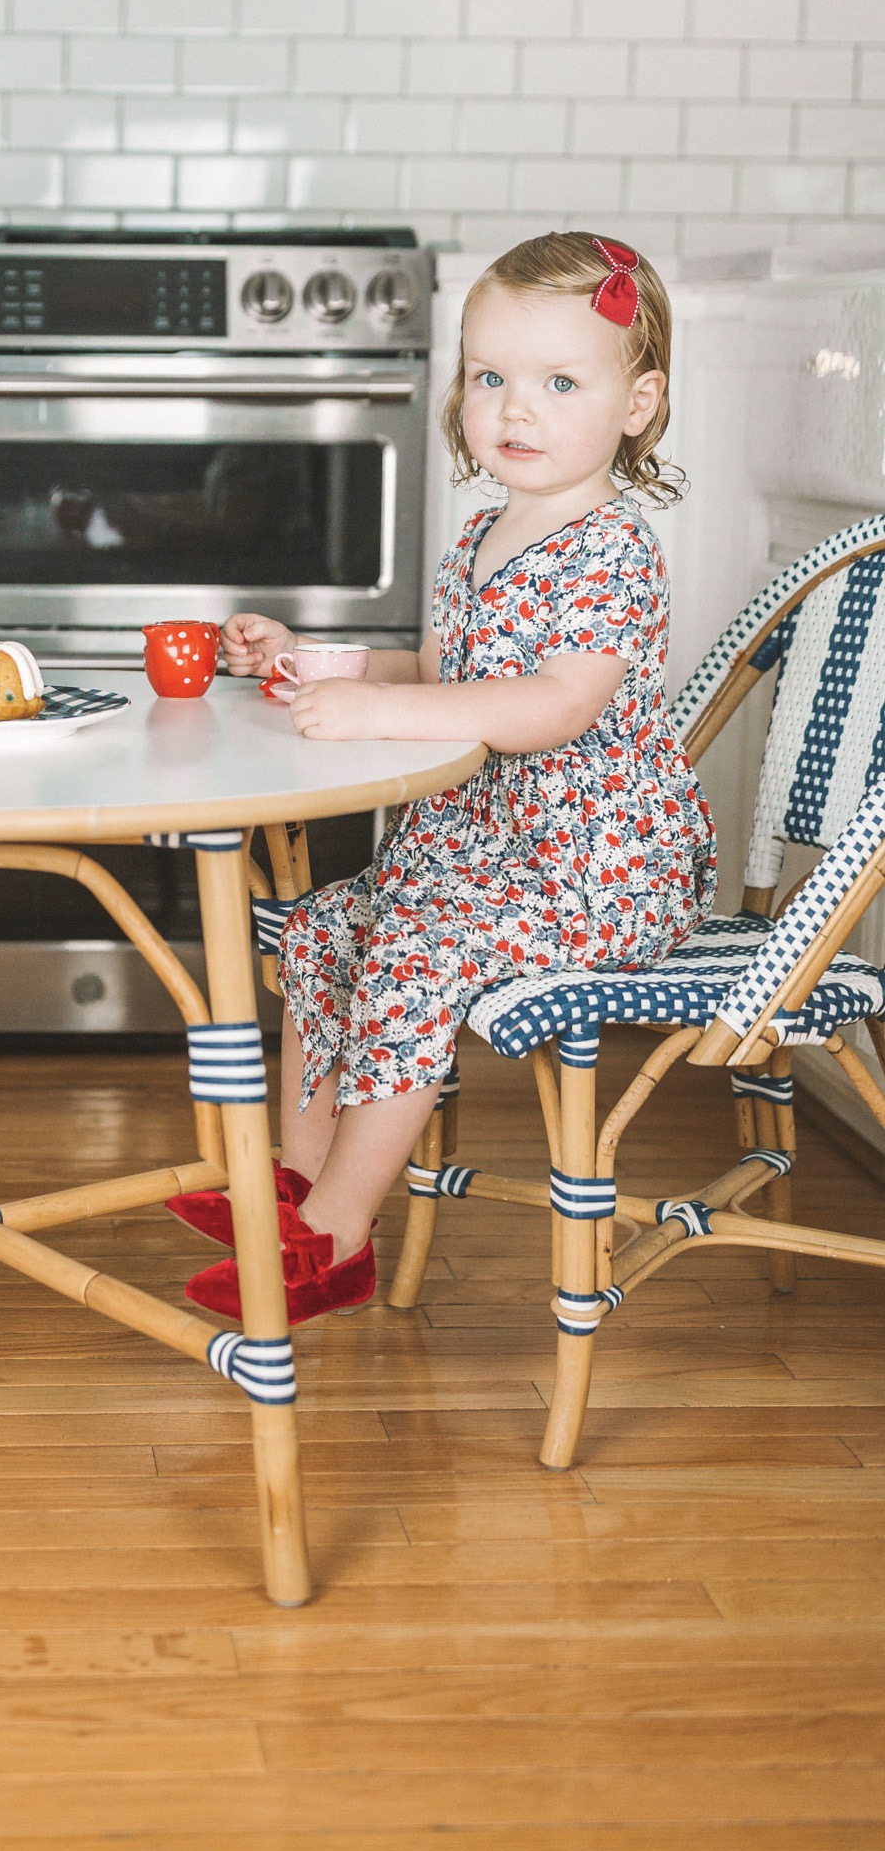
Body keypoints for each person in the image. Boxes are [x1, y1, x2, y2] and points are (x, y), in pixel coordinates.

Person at [172, 231, 716, 1325]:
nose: (516, 410)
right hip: (480, 859)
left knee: (413, 948)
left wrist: (384, 712)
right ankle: (299, 1184)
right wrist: (321, 662)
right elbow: (447, 673)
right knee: (325, 925)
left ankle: (340, 1228)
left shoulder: (611, 549)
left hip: (593, 873)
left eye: (560, 382)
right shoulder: (479, 531)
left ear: (638, 402)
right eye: (490, 379)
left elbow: (553, 703)